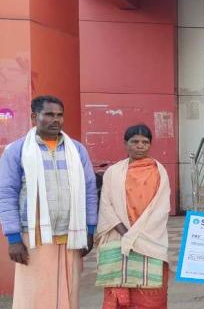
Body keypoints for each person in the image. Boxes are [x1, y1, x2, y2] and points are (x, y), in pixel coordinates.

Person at [0, 95, 98, 309]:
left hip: (71, 233)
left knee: (68, 292)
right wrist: (13, 238)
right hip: (33, 236)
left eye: (60, 115)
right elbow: (6, 194)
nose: (56, 120)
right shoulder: (17, 151)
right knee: (36, 294)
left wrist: (90, 230)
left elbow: (89, 190)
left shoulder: (76, 150)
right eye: (49, 114)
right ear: (34, 117)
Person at [95, 124, 171, 309]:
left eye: (145, 142)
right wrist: (125, 233)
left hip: (150, 238)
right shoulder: (113, 172)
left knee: (151, 297)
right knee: (119, 294)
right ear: (125, 143)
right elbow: (106, 205)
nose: (140, 146)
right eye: (134, 141)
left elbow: (161, 208)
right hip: (118, 235)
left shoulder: (158, 171)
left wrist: (136, 234)